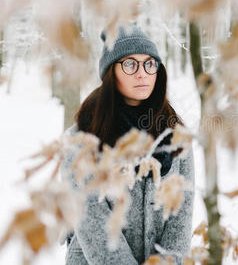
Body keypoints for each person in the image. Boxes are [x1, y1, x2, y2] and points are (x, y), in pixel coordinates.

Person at [61, 25, 194, 265]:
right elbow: (91, 222)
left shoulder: (176, 135)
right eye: (130, 64)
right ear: (111, 72)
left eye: (149, 63)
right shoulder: (81, 140)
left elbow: (181, 217)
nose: (142, 73)